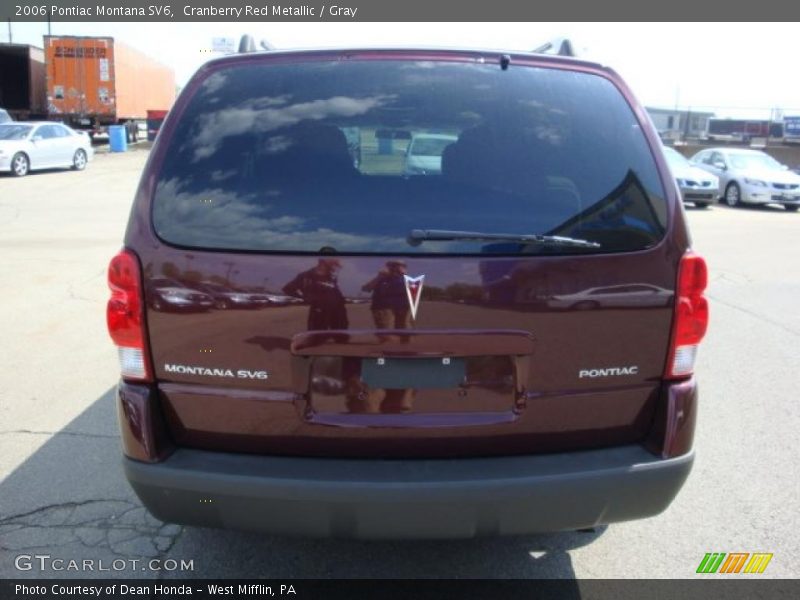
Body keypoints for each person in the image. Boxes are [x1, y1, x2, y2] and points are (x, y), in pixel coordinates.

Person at [282, 259, 348, 332]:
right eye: (333, 264)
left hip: (337, 312)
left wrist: (341, 301)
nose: (334, 267)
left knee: (342, 338)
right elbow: (288, 289)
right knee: (316, 338)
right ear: (323, 263)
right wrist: (304, 297)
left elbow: (335, 292)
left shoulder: (331, 277)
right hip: (318, 312)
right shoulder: (306, 276)